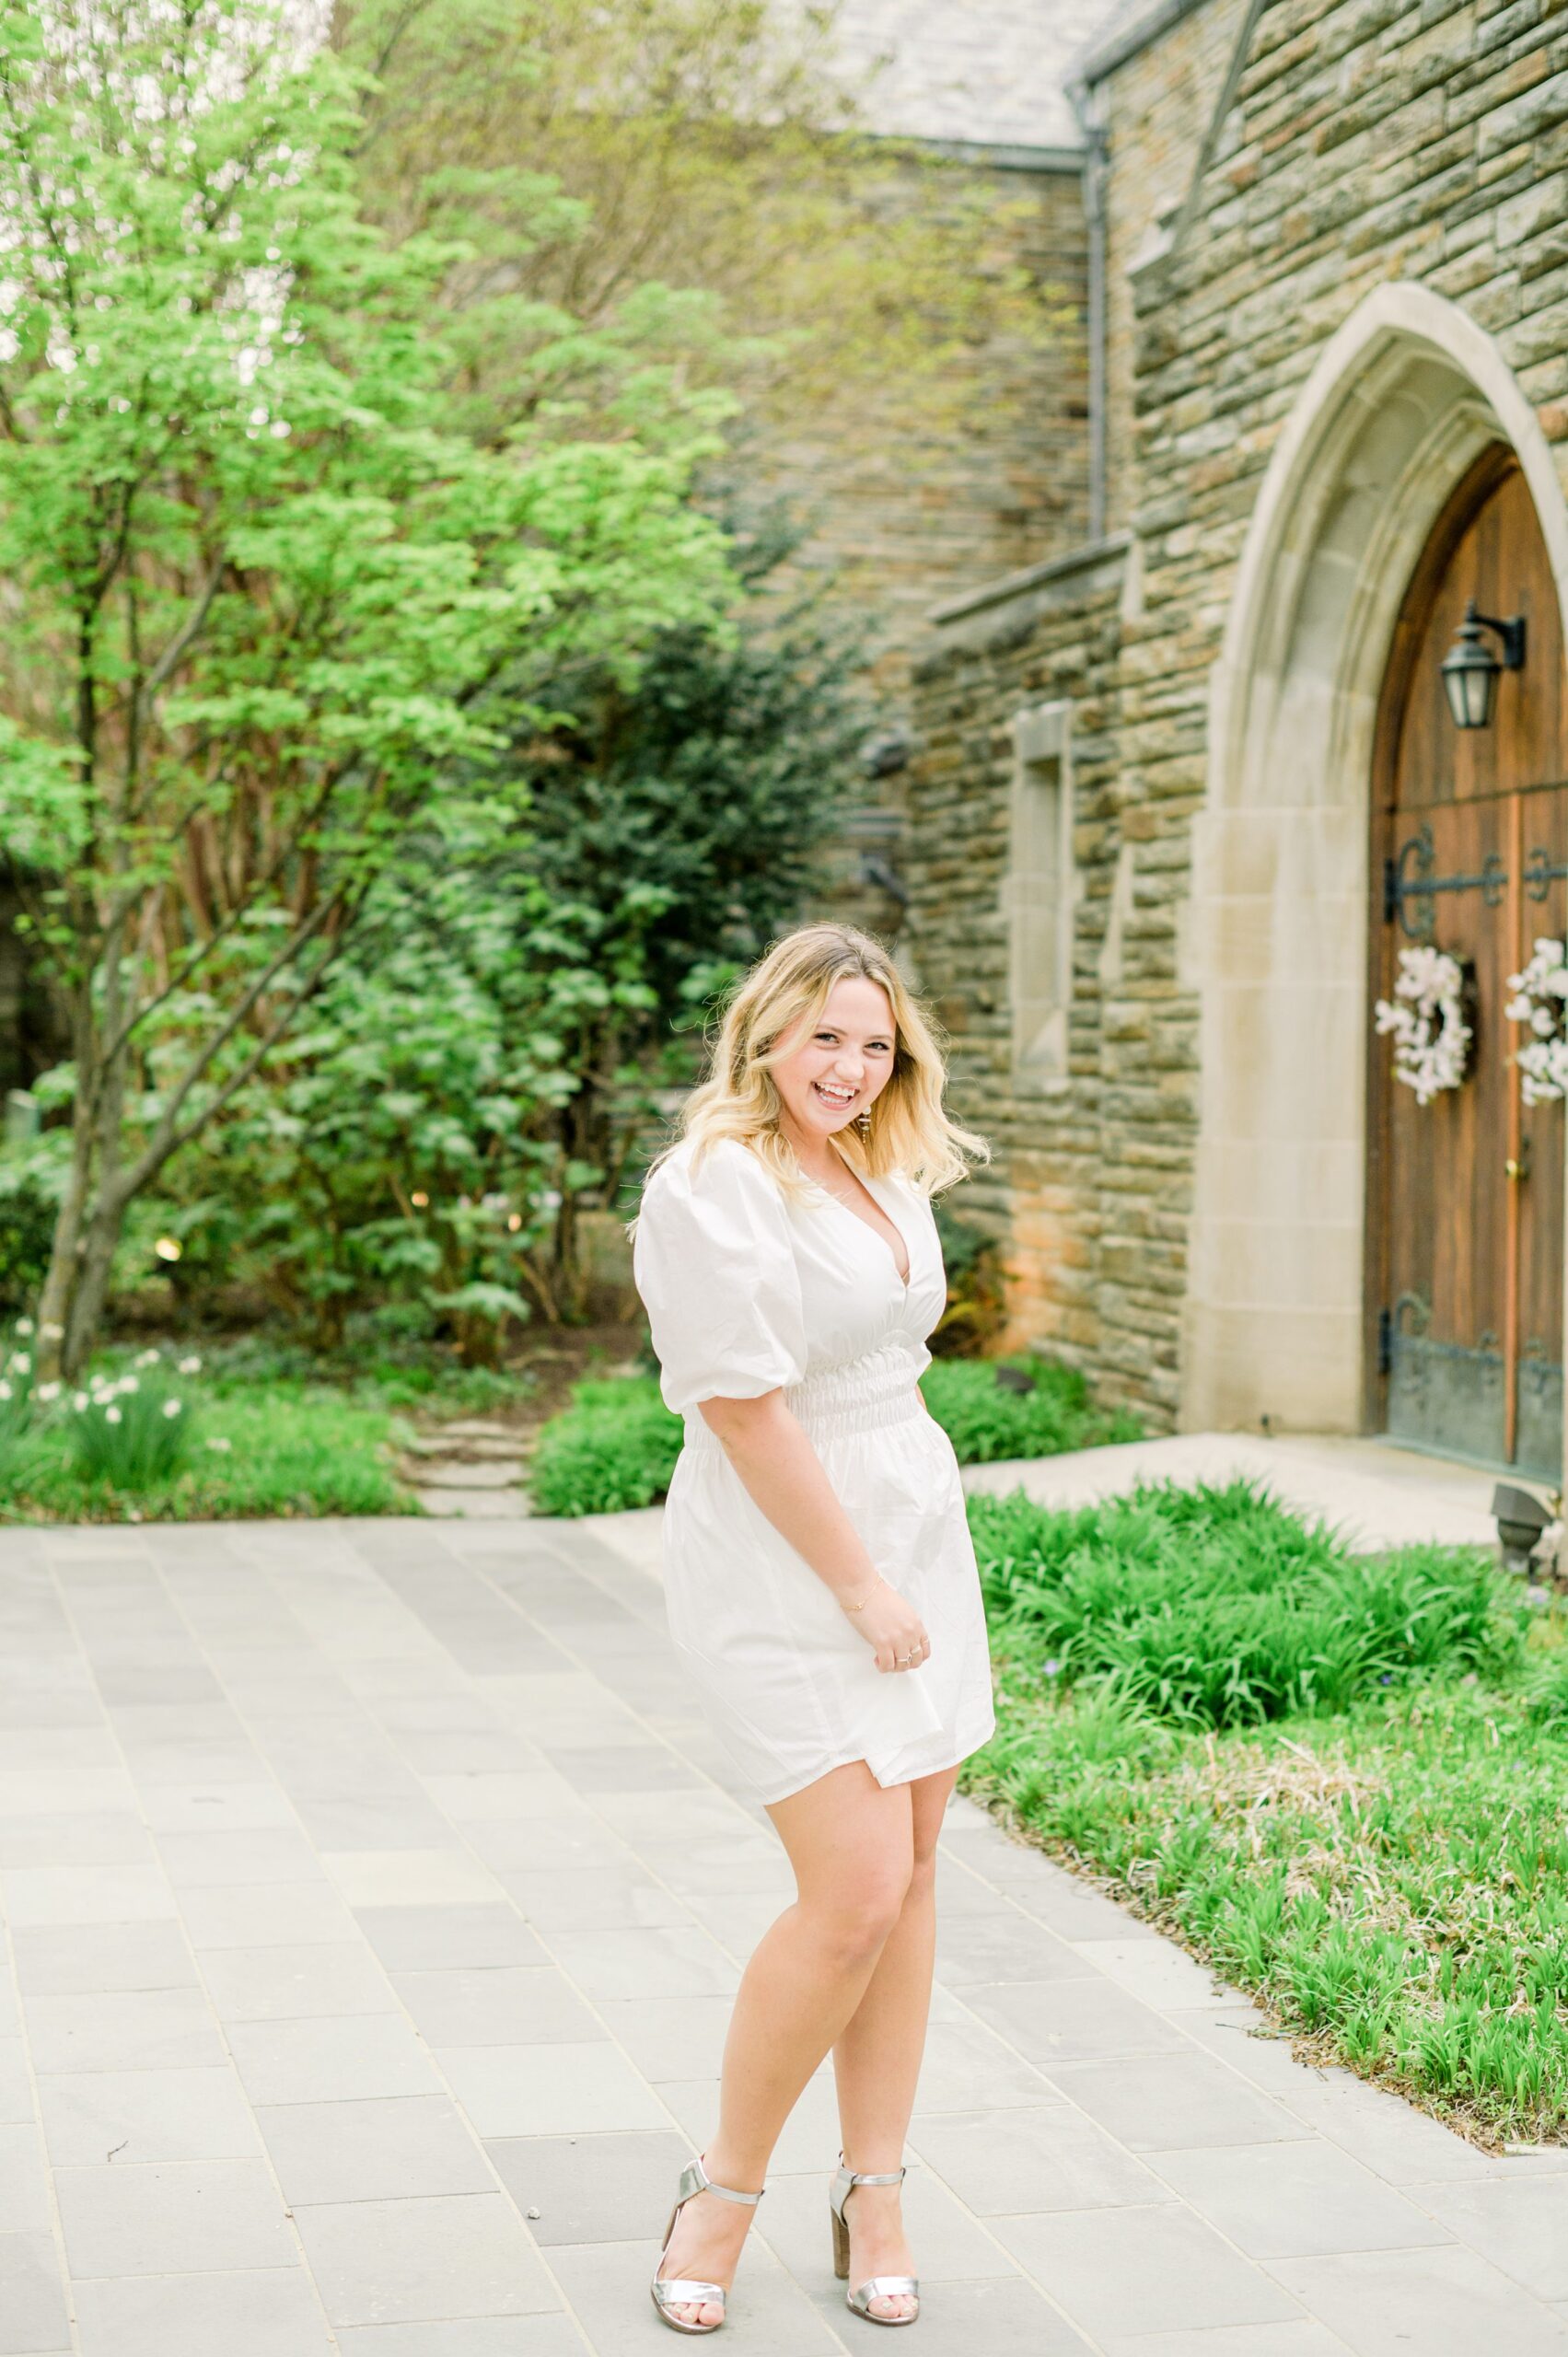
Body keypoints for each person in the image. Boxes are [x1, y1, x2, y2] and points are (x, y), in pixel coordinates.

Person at [630, 922, 996, 2335]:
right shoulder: (714, 1182)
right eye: (825, 1037)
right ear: (765, 1032)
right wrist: (857, 1585)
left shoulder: (889, 1159)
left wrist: (902, 1563)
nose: (849, 1066)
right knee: (848, 1890)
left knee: (907, 1878)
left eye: (874, 1042)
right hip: (787, 1550)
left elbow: (884, 1354)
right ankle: (722, 2190)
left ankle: (880, 2189)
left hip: (911, 1508)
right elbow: (739, 1404)